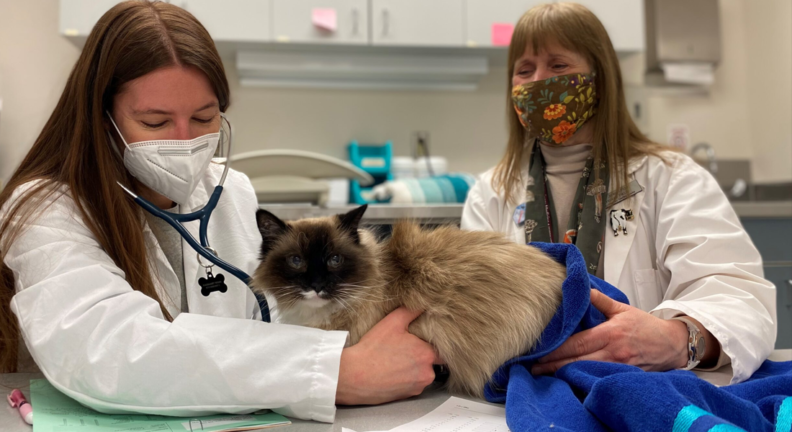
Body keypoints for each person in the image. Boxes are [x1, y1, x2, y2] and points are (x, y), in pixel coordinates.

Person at [0, 1, 438, 422]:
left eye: (205, 117)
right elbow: (105, 352)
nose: (184, 140)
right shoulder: (44, 210)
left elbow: (259, 333)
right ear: (101, 119)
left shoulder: (231, 191)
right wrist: (337, 374)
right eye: (155, 122)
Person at [461, 3, 776, 383]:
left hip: (649, 389)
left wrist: (677, 339)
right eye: (524, 70)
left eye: (558, 66)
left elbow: (740, 299)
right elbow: (469, 314)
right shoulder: (490, 194)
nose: (538, 81)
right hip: (523, 396)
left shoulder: (672, 178)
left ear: (600, 79)